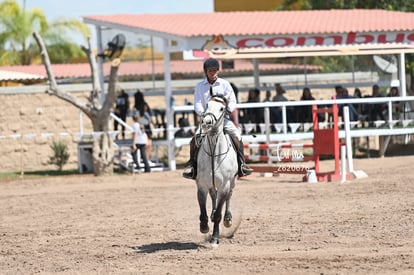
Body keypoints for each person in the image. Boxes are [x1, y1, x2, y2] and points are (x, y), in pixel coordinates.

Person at [182, 58, 253, 180]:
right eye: (210, 71)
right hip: (207, 121)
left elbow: (232, 100)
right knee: (195, 139)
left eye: (215, 71)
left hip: (223, 119)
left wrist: (227, 110)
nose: (213, 73)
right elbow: (197, 103)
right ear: (206, 71)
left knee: (237, 136)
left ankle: (242, 165)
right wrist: (204, 114)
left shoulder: (225, 84)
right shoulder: (200, 86)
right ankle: (193, 167)